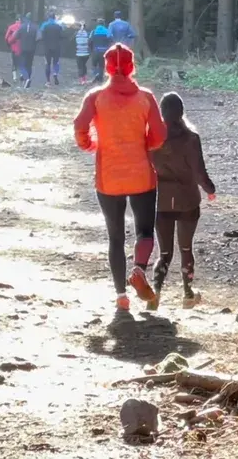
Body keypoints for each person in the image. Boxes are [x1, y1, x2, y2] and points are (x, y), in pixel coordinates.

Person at [73, 44, 167, 311]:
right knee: (145, 230)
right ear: (131, 66)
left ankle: (121, 297)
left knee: (115, 237)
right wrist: (144, 145)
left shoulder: (95, 97)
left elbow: (80, 126)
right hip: (142, 175)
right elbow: (159, 135)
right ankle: (139, 268)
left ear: (106, 67)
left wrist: (90, 144)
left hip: (109, 176)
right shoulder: (146, 97)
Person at [148, 92, 216, 310]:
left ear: (162, 112)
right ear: (181, 111)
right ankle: (187, 294)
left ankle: (155, 293)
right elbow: (199, 171)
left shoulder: (152, 138)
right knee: (186, 248)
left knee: (164, 252)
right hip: (187, 199)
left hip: (161, 200)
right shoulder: (191, 138)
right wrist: (210, 189)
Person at [39, 11, 64, 86]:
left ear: (48, 17)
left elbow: (41, 35)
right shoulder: (58, 25)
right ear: (54, 17)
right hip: (56, 47)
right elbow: (62, 36)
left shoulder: (44, 25)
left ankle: (48, 81)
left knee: (47, 63)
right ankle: (55, 74)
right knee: (56, 62)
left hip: (47, 47)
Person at [14, 13, 38, 87]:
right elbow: (39, 37)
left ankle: (26, 78)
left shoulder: (22, 26)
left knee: (22, 64)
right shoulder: (36, 27)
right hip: (32, 48)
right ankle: (27, 79)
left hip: (23, 48)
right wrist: (34, 41)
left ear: (26, 19)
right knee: (29, 65)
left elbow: (15, 36)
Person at [90, 18, 112, 82]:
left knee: (94, 64)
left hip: (96, 50)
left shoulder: (93, 31)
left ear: (97, 24)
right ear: (104, 24)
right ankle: (100, 78)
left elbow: (89, 42)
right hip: (104, 51)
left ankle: (96, 74)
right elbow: (111, 40)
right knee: (102, 65)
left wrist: (91, 49)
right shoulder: (107, 31)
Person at [4, 16, 22, 82]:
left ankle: (14, 77)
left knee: (14, 62)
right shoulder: (23, 27)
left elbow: (6, 37)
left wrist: (9, 45)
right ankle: (21, 75)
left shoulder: (11, 27)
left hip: (14, 47)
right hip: (22, 48)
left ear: (15, 20)